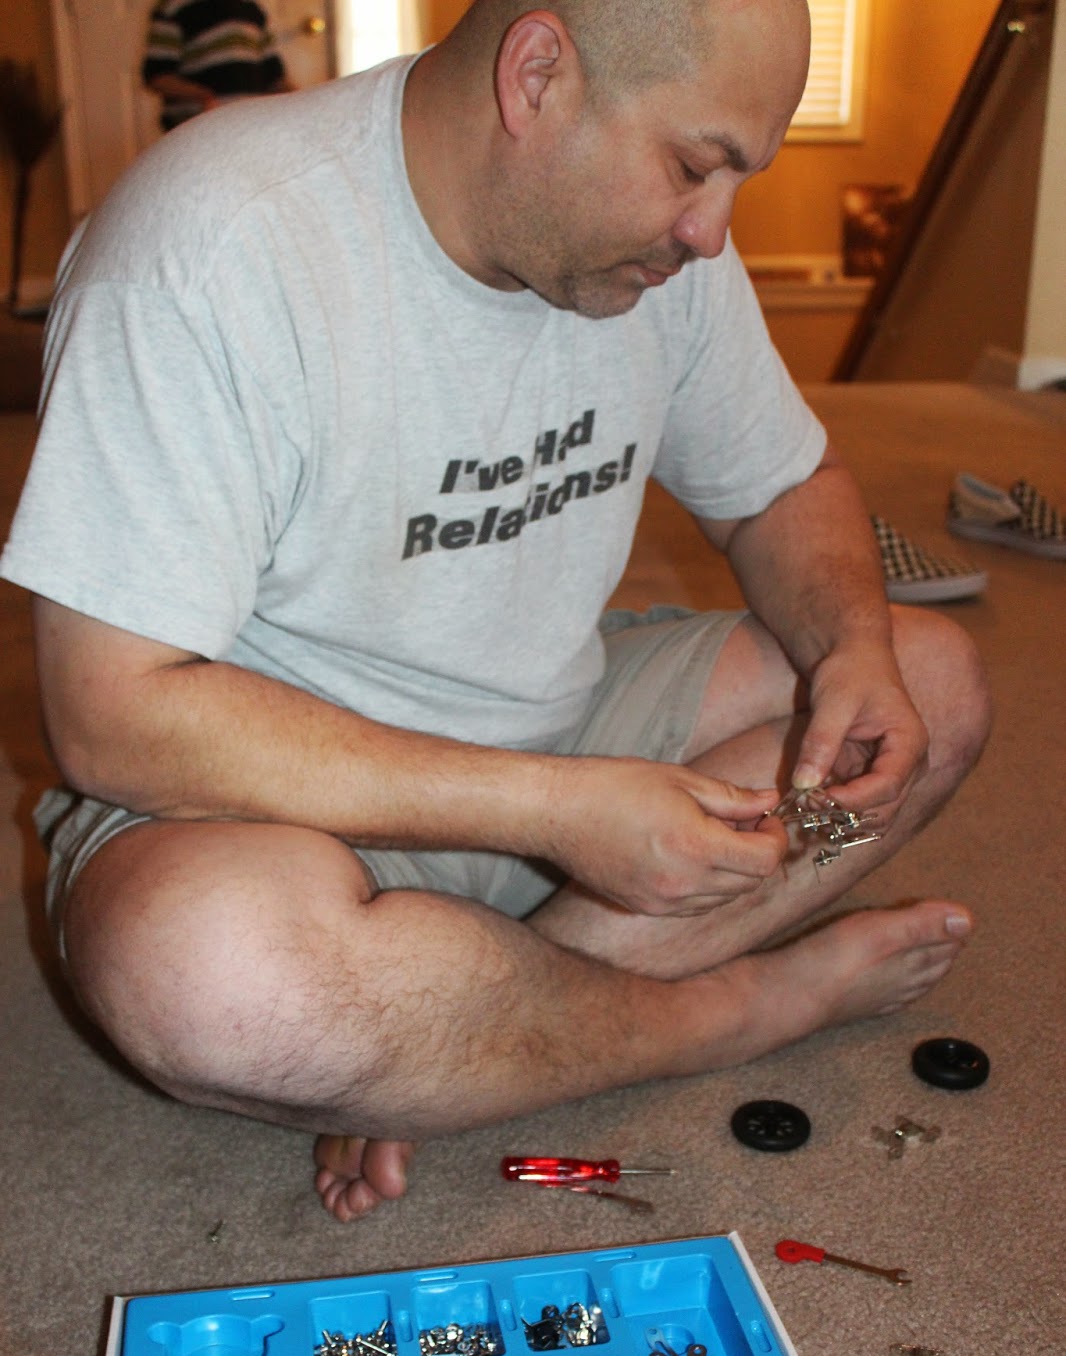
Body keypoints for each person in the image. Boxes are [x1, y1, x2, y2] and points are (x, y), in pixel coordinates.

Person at [2, 0, 991, 1223]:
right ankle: (723, 1009)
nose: (711, 230)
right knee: (209, 973)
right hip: (277, 808)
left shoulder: (668, 257)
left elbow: (781, 486)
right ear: (535, 75)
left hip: (568, 726)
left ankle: (464, 1030)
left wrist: (852, 648)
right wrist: (556, 810)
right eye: (693, 165)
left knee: (929, 687)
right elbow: (110, 715)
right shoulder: (206, 248)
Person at [142, 0, 293, 131]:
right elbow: (158, 77)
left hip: (250, 126)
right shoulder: (174, 7)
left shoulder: (251, 9)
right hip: (197, 129)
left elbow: (275, 78)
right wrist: (203, 97)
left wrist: (298, 102)